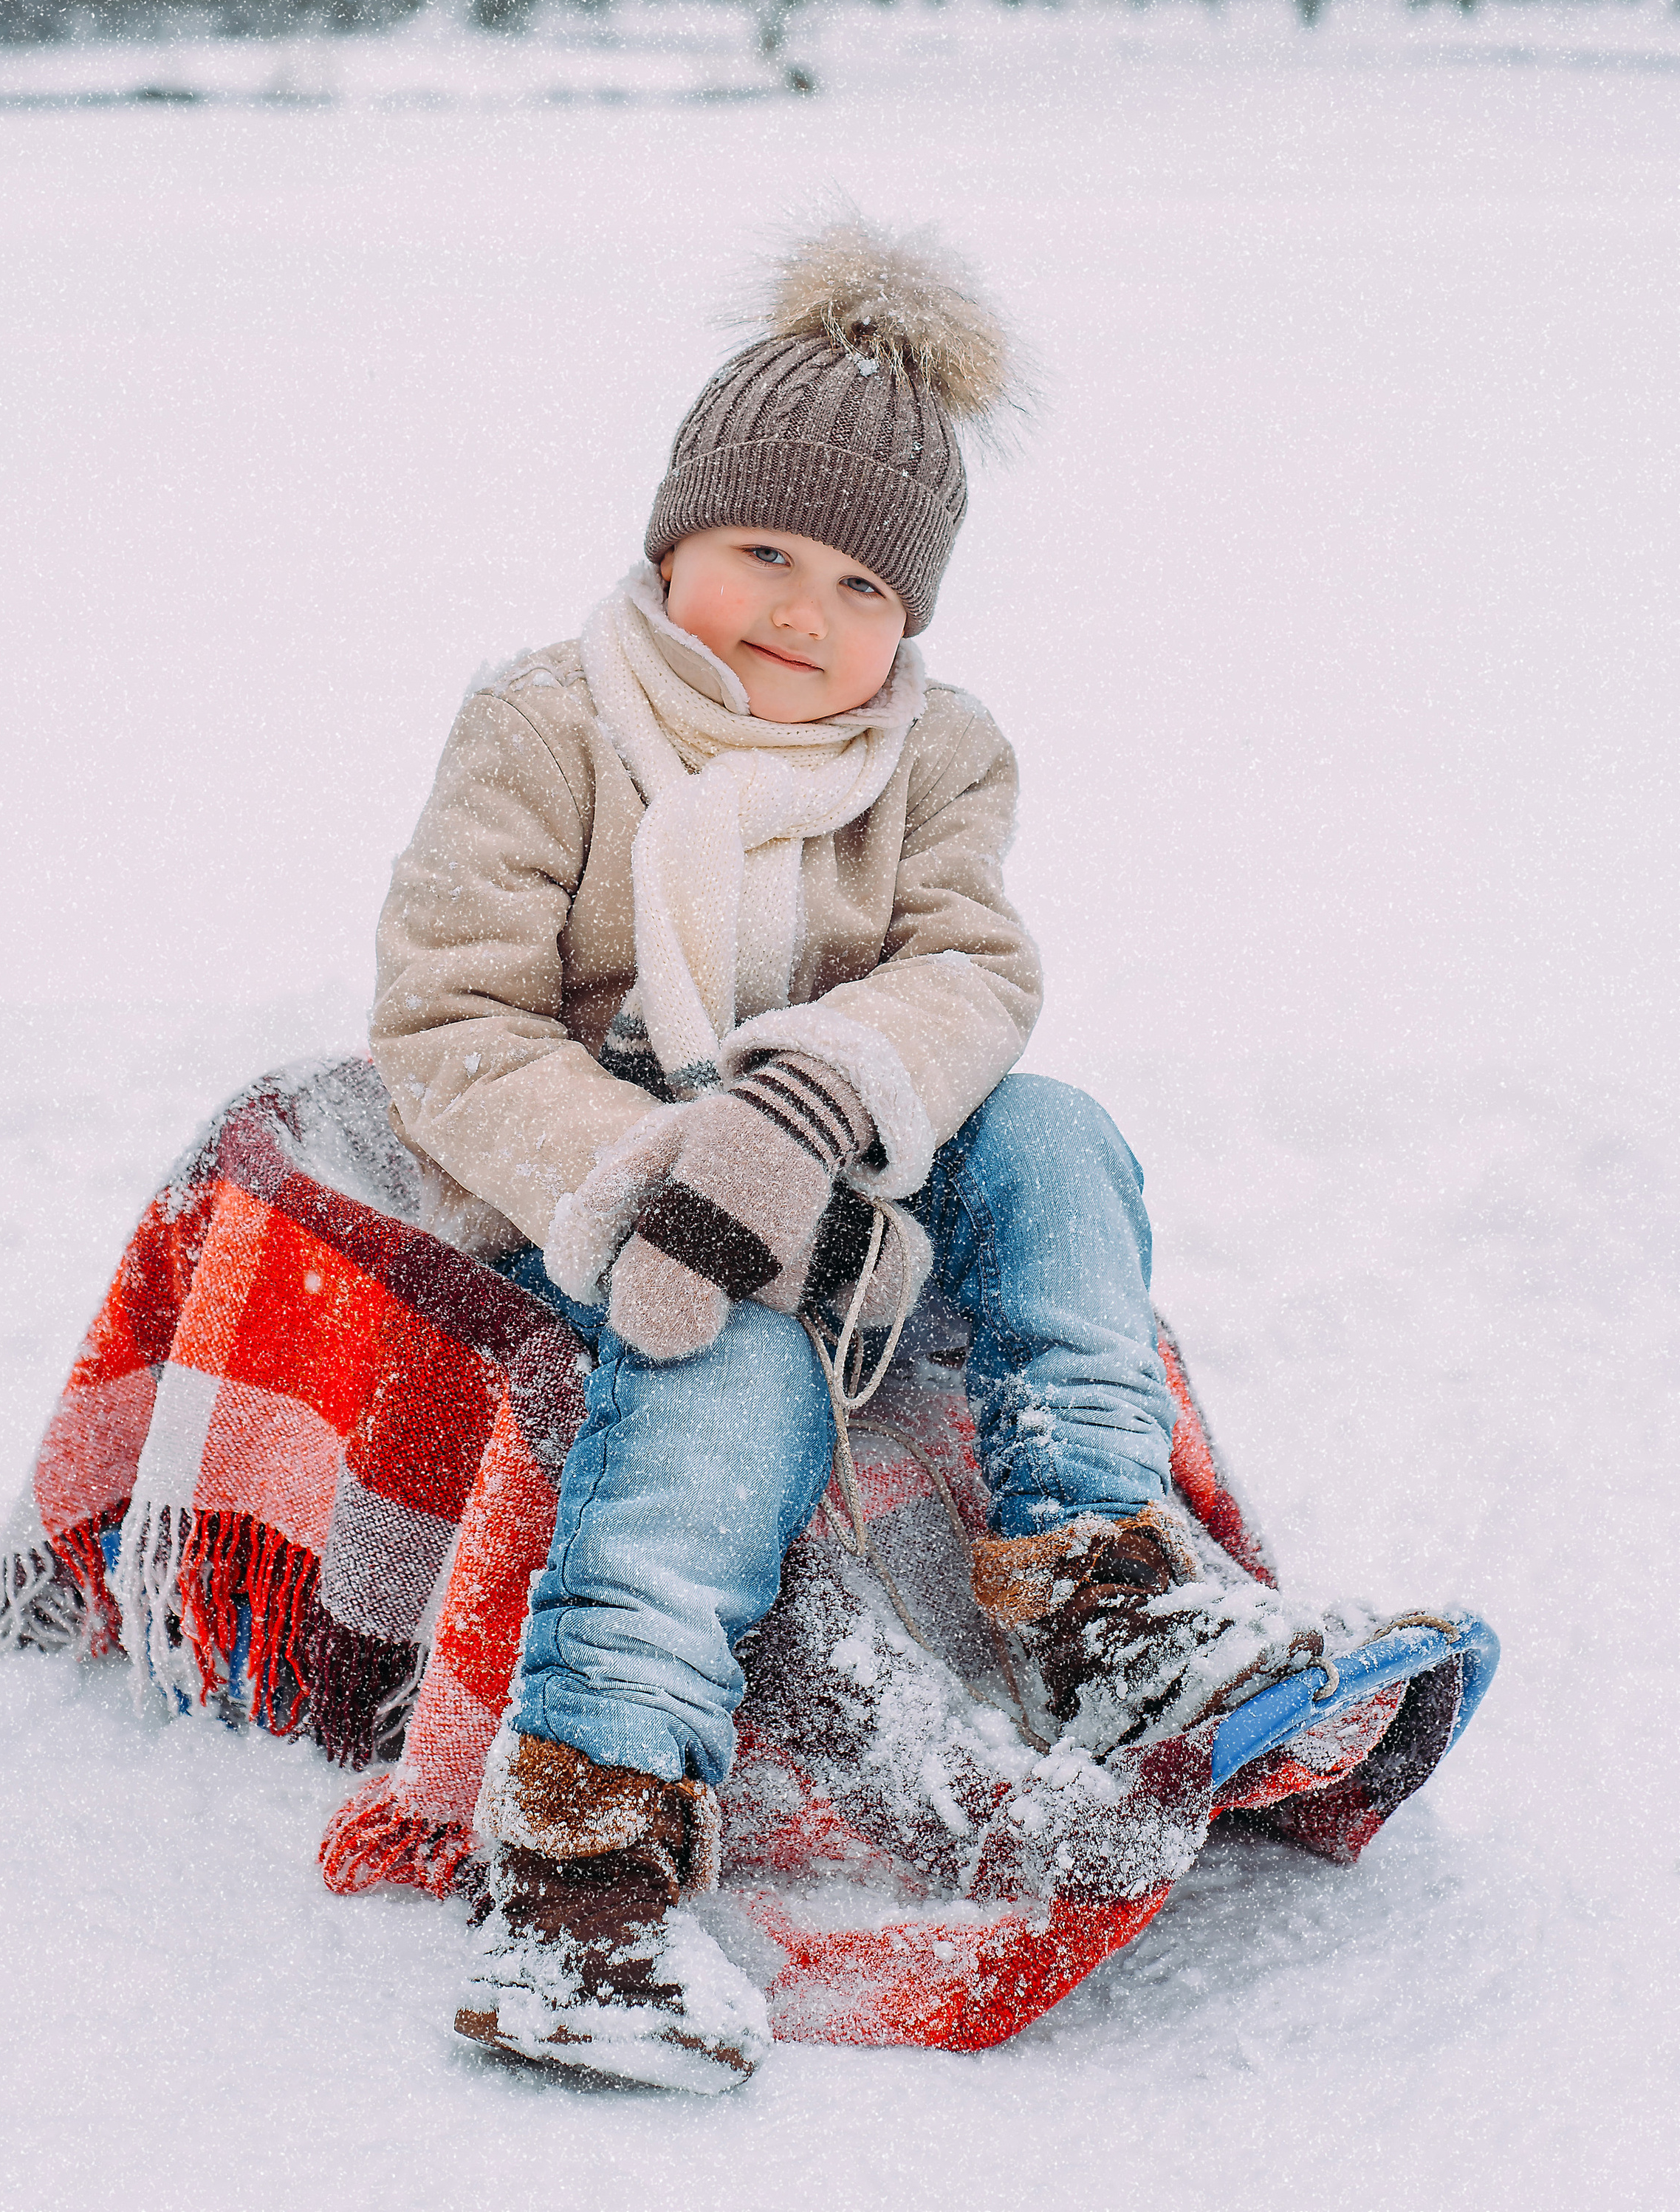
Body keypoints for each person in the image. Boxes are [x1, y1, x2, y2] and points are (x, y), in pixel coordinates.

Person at [369, 223, 1329, 2091]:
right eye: (759, 555)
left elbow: (968, 969)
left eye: (858, 584)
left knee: (1054, 1135)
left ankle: (1101, 1586)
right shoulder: (546, 725)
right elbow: (449, 1020)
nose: (800, 614)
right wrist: (675, 1180)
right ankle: (584, 1851)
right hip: (614, 1171)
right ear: (672, 545)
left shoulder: (938, 757)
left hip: (849, 1148)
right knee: (712, 1358)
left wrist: (812, 1104)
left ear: (914, 622)